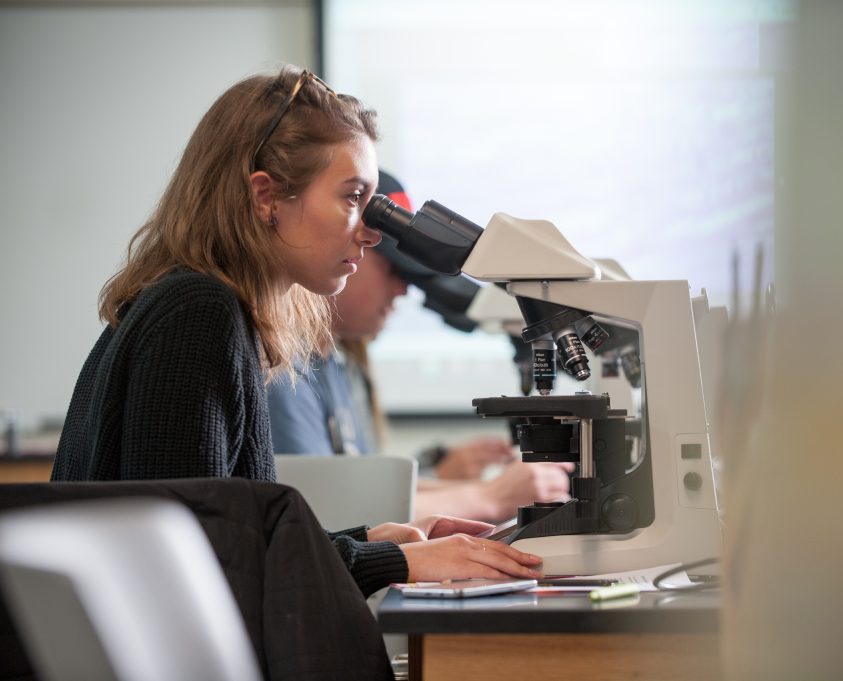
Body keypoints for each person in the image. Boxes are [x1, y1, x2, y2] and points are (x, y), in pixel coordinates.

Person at [50, 66, 544, 599]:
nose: (373, 231)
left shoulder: (201, 306)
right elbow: (201, 558)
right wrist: (397, 562)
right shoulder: (197, 314)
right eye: (354, 197)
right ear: (267, 197)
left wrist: (375, 541)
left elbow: (235, 535)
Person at [267, 171, 574, 522]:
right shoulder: (283, 372)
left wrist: (476, 486)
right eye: (395, 272)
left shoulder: (336, 367)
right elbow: (322, 514)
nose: (403, 291)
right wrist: (488, 497)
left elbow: (360, 491)